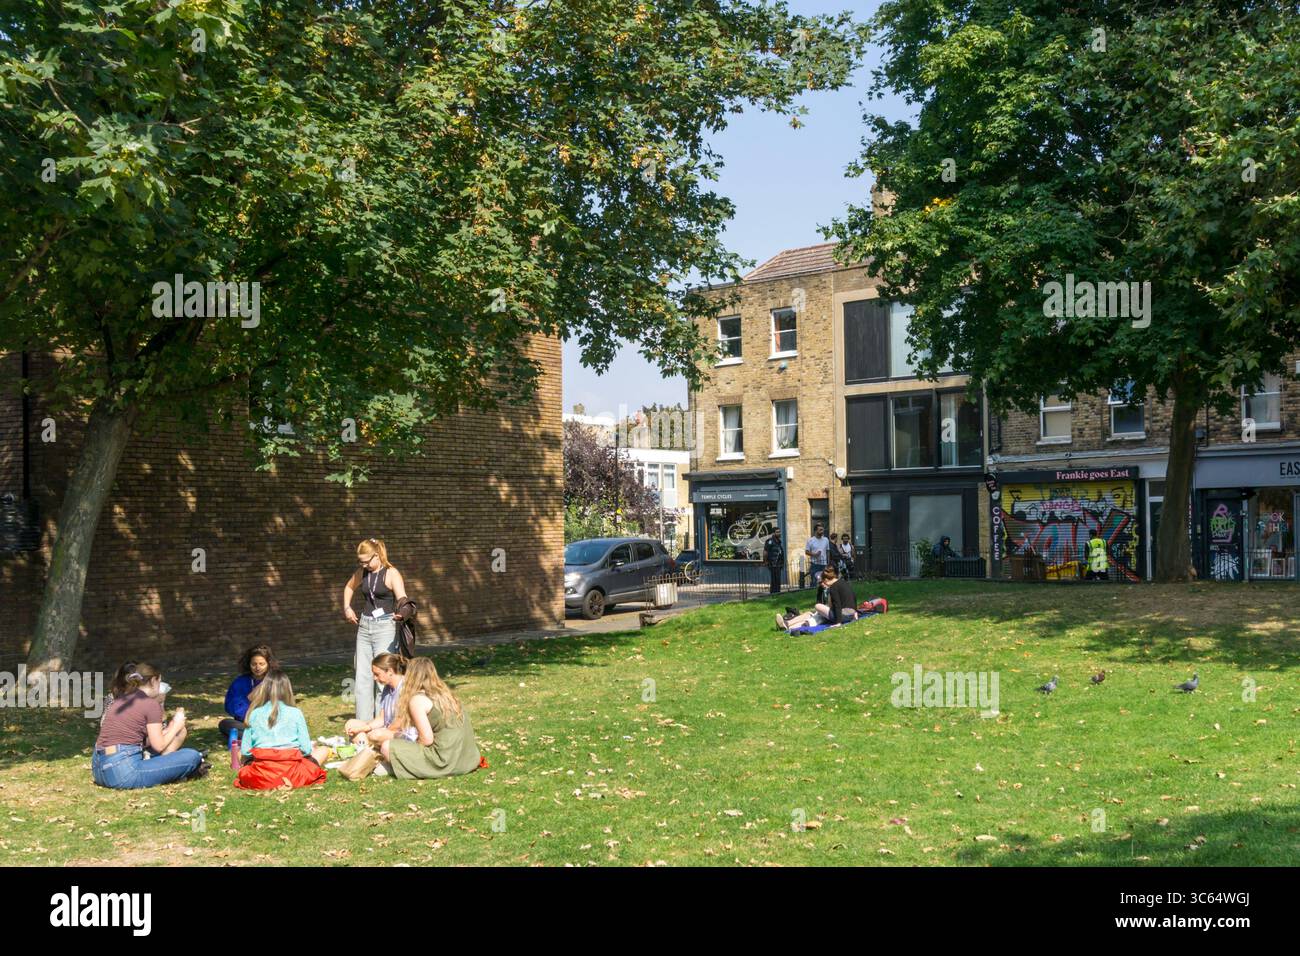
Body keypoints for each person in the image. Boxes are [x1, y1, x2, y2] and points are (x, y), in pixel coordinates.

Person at [92, 664, 208, 789]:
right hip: (123, 772)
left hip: (99, 770)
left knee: (176, 750)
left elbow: (142, 740)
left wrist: (170, 728)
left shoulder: (122, 700)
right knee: (192, 756)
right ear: (153, 680)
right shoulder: (150, 704)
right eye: (159, 681)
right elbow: (159, 746)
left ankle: (167, 770)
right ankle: (179, 771)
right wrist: (176, 724)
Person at [379, 657, 485, 780]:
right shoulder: (446, 694)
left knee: (387, 746)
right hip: (468, 759)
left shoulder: (418, 700)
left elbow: (427, 739)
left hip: (444, 760)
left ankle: (400, 767)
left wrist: (406, 745)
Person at [342, 538, 409, 722]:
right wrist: (347, 607)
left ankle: (383, 722)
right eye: (360, 561)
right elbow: (349, 586)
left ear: (377, 555)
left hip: (385, 626)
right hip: (364, 625)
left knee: (383, 677)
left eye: (366, 561)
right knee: (362, 677)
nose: (363, 565)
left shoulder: (391, 573)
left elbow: (402, 597)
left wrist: (402, 613)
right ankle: (363, 725)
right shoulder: (362, 572)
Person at [235, 669, 329, 790]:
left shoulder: (254, 714)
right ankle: (286, 779)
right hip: (293, 773)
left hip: (262, 775)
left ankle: (267, 778)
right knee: (324, 750)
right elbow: (306, 750)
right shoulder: (296, 713)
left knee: (238, 753)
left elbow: (245, 751)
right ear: (287, 690)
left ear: (264, 689)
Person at [345, 653, 419, 745]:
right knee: (351, 723)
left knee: (375, 735)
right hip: (388, 730)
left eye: (377, 674)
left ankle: (366, 747)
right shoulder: (387, 688)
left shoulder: (406, 688)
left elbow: (400, 722)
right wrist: (364, 728)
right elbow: (382, 718)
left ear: (390, 671)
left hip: (403, 734)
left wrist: (382, 732)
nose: (374, 678)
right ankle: (367, 748)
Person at [219, 644, 276, 743]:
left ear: (268, 664)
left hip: (269, 723)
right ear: (249, 664)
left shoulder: (275, 681)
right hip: (246, 723)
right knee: (224, 724)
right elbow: (232, 707)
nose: (257, 667)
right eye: (254, 664)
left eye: (262, 664)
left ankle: (253, 738)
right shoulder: (240, 682)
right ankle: (259, 738)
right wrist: (249, 702)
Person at [776, 564, 858, 631]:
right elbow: (853, 597)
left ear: (826, 580)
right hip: (848, 614)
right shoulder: (842, 583)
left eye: (822, 582)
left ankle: (789, 625)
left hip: (841, 615)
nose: (822, 584)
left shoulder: (833, 587)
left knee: (817, 607)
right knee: (812, 613)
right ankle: (788, 625)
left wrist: (838, 623)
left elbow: (837, 604)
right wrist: (855, 613)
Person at [763, 528, 786, 594]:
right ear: (773, 533)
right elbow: (765, 552)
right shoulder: (770, 541)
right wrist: (765, 561)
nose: (779, 533)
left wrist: (782, 563)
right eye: (777, 532)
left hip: (778, 564)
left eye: (779, 532)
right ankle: (773, 593)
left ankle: (777, 592)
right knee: (774, 580)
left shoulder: (778, 541)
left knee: (778, 580)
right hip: (772, 563)